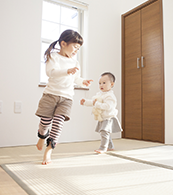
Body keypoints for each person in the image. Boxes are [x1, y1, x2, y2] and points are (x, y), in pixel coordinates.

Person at [35, 29, 93, 165]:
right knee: (45, 121)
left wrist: (82, 81)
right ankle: (42, 135)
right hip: (51, 94)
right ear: (63, 43)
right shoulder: (53, 57)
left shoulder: (75, 62)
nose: (76, 51)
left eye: (78, 49)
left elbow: (76, 78)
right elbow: (51, 72)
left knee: (58, 123)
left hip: (67, 97)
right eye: (75, 47)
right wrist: (67, 71)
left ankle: (49, 149)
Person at [80, 72, 122, 153]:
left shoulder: (110, 96)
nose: (101, 85)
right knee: (105, 132)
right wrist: (85, 102)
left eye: (104, 83)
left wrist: (97, 103)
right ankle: (110, 146)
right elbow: (93, 102)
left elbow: (107, 106)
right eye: (99, 83)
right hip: (102, 117)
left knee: (104, 132)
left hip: (108, 117)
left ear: (112, 84)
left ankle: (103, 147)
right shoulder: (99, 94)